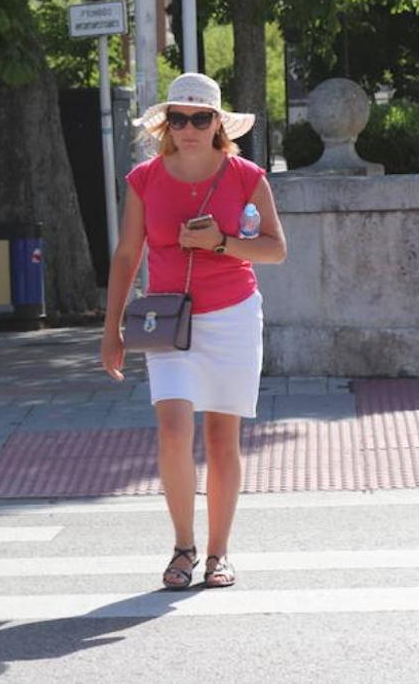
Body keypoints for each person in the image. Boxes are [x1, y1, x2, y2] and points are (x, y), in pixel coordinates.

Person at [101, 73, 287, 590]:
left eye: (199, 118)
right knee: (173, 430)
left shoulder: (246, 176)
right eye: (178, 119)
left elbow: (274, 249)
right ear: (166, 125)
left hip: (232, 315)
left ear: (217, 124)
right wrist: (111, 328)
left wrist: (222, 243)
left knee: (223, 439)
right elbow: (125, 255)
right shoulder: (145, 178)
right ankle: (183, 546)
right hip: (167, 319)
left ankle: (218, 553)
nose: (188, 129)